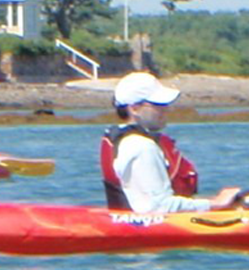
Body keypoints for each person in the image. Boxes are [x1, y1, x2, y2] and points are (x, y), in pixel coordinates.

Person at [101, 72, 240, 214]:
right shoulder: (141, 146)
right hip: (156, 229)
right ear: (134, 108)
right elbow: (159, 207)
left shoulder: (128, 141)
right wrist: (215, 203)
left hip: (143, 223)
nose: (166, 109)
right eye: (158, 104)